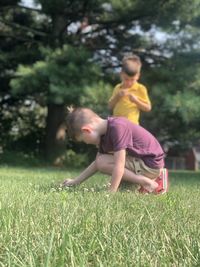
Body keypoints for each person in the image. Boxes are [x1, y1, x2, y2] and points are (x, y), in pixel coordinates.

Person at [63, 107, 169, 194]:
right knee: (124, 191)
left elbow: (119, 164)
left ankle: (148, 181)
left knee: (103, 162)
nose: (87, 143)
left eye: (84, 140)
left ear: (87, 130)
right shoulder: (104, 136)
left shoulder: (118, 127)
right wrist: (75, 182)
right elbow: (97, 163)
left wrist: (111, 192)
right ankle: (145, 183)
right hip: (140, 163)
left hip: (150, 165)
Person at [108, 54, 151, 124]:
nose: (129, 82)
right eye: (126, 79)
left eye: (132, 80)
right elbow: (110, 106)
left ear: (138, 76)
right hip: (117, 124)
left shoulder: (140, 88)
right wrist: (117, 96)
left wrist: (136, 101)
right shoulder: (118, 87)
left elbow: (148, 108)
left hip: (132, 125)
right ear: (121, 74)